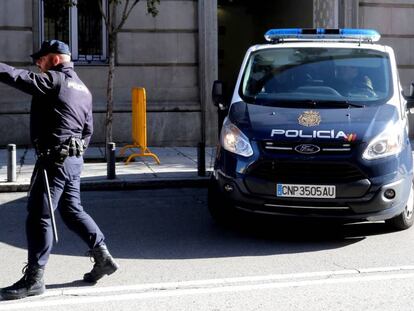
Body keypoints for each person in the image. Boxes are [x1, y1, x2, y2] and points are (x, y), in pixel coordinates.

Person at [0, 40, 119, 300]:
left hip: (54, 160)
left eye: (40, 61)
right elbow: (88, 130)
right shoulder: (83, 90)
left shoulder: (54, 80)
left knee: (39, 215)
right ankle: (103, 256)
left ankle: (34, 278)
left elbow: (18, 77)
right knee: (72, 210)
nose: (38, 67)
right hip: (73, 160)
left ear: (54, 59)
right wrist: (74, 152)